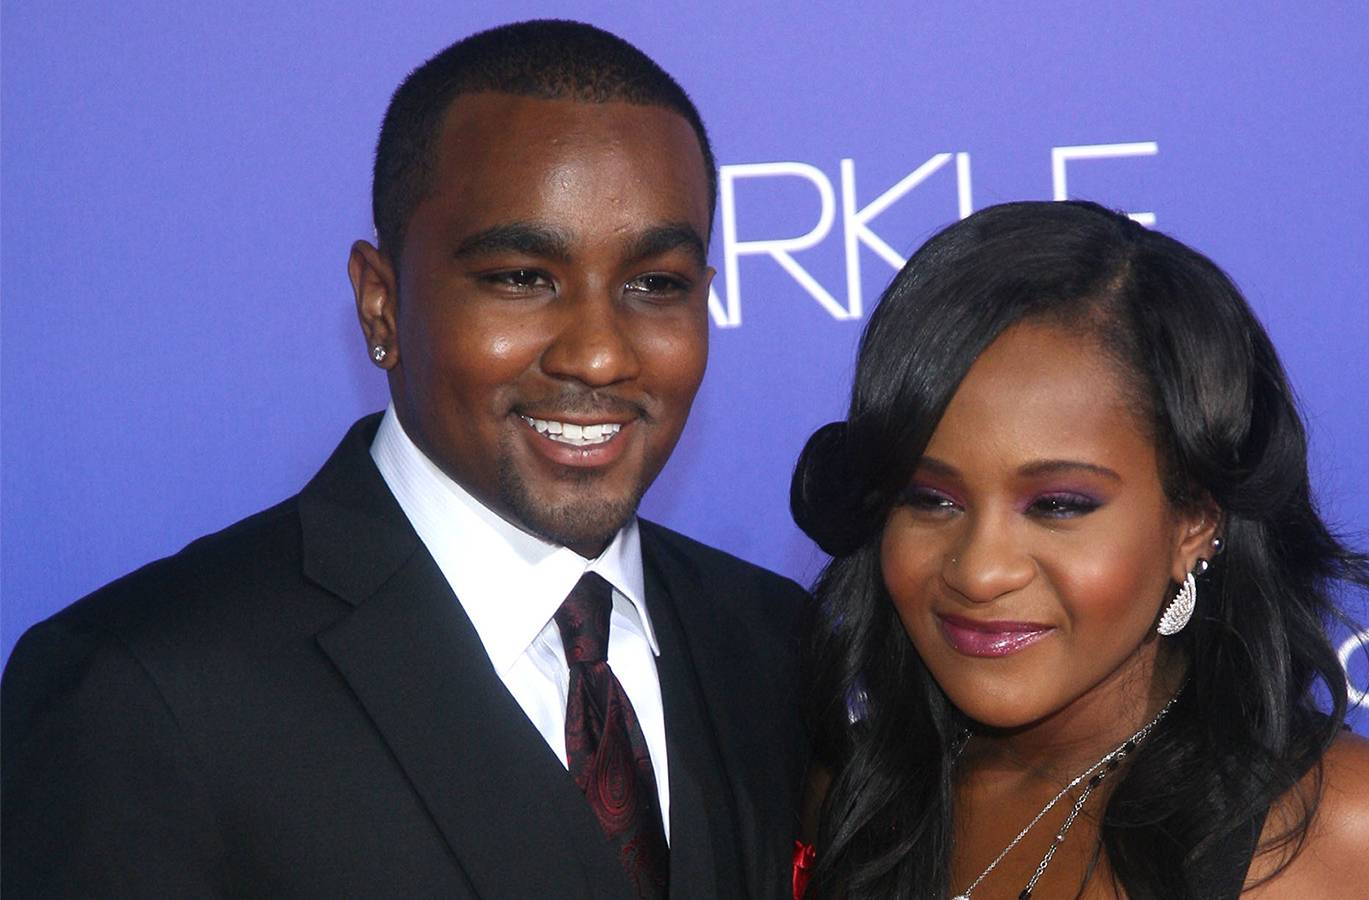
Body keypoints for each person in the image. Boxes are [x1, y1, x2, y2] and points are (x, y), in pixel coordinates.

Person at [2, 20, 808, 899]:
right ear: (381, 305)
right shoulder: (142, 690)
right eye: (521, 278)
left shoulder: (775, 643)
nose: (599, 355)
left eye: (655, 284)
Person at [789, 201, 1369, 898]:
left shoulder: (1351, 842)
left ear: (1194, 520)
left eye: (1058, 506)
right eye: (930, 499)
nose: (979, 570)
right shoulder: (847, 801)